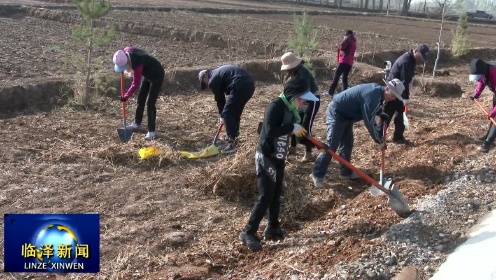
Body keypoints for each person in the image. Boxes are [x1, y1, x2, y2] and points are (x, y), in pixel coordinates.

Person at [239, 76, 318, 250]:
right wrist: (292, 128)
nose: (304, 102)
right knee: (265, 196)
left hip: (279, 156)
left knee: (276, 193)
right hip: (266, 156)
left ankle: (272, 227)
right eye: (302, 98)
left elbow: (298, 132)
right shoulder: (275, 107)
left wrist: (308, 139)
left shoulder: (293, 110)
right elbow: (270, 131)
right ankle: (248, 232)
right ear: (293, 96)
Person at [310, 79, 405, 188]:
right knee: (331, 144)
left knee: (347, 143)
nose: (393, 98)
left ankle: (346, 172)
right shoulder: (372, 93)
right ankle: (317, 173)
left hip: (348, 116)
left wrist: (380, 113)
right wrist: (378, 140)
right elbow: (369, 120)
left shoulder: (378, 92)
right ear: (387, 88)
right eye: (393, 95)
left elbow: (369, 106)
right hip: (337, 113)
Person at [198, 65, 255, 154]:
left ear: (205, 76)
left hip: (239, 85)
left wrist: (222, 115)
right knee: (234, 113)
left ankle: (232, 143)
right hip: (249, 85)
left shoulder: (212, 79)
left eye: (204, 83)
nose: (207, 85)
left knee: (227, 113)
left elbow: (220, 99)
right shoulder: (218, 73)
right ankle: (234, 138)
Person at [113, 47, 165, 141]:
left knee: (150, 103)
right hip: (147, 74)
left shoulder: (137, 63)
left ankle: (151, 131)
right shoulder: (126, 51)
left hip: (157, 75)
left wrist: (126, 96)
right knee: (141, 99)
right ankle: (137, 123)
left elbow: (135, 83)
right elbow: (127, 48)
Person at [384, 44, 429, 144]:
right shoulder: (407, 61)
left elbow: (407, 80)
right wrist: (405, 98)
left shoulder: (411, 60)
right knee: (387, 114)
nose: (420, 59)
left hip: (399, 91)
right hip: (393, 91)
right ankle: (379, 136)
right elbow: (404, 81)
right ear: (416, 50)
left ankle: (398, 137)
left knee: (400, 115)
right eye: (420, 56)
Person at [280, 52, 321, 162]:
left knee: (305, 126)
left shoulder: (303, 72)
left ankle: (308, 153)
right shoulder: (294, 72)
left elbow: (305, 89)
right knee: (295, 122)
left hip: (311, 100)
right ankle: (293, 147)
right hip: (299, 100)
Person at [469, 58, 496, 153]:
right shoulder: (483, 69)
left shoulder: (494, 73)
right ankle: (488, 135)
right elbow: (482, 80)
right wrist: (476, 94)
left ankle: (487, 144)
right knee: (494, 116)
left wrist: (493, 112)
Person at [327, 30, 357, 96]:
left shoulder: (347, 38)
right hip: (350, 62)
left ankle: (330, 93)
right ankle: (345, 94)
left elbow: (342, 46)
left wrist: (338, 46)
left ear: (347, 34)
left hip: (344, 60)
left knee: (336, 76)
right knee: (344, 78)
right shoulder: (353, 41)